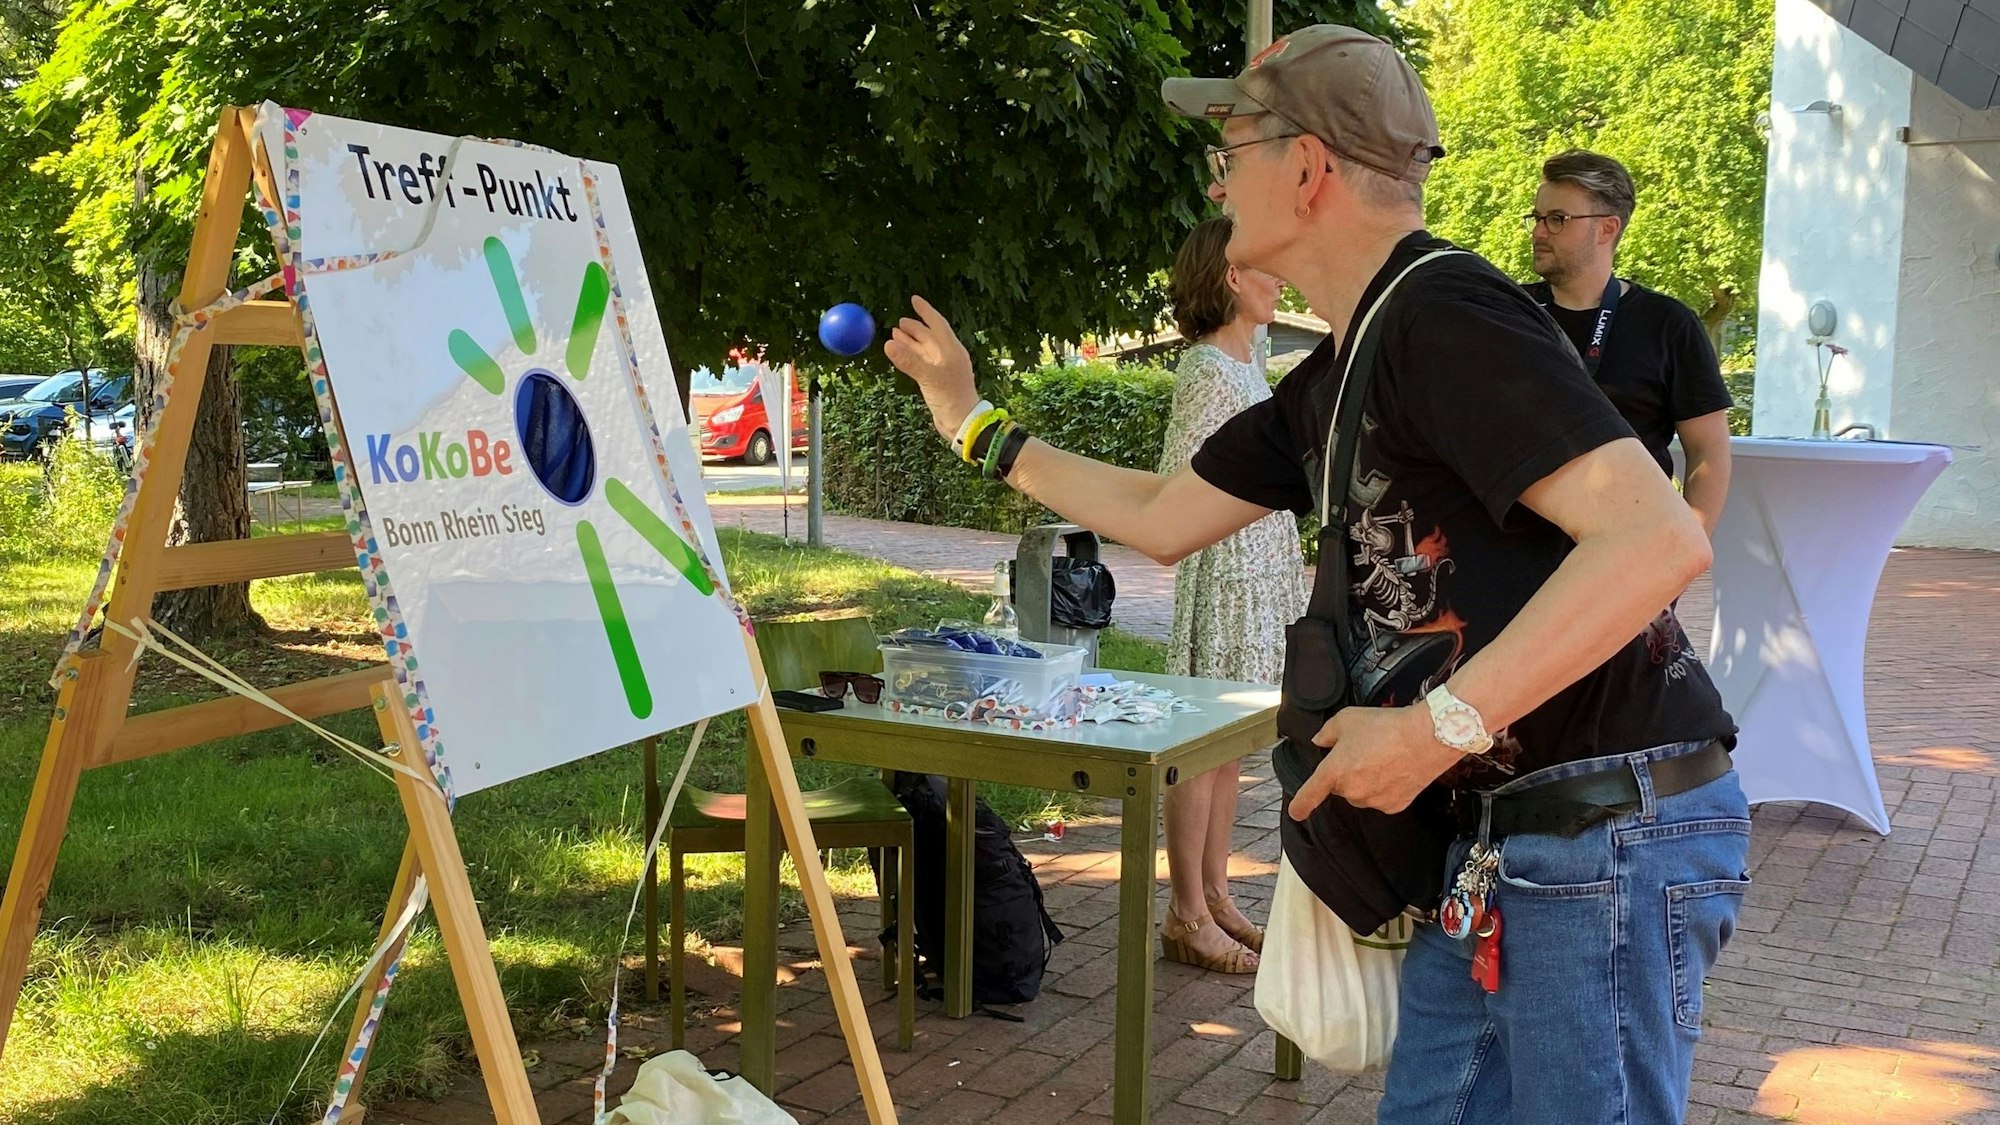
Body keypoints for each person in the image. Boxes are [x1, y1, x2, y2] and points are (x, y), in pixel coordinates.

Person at [883, 24, 1746, 1124]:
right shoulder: (1344, 362)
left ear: (1306, 166)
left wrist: (1435, 727)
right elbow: (1162, 514)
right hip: (1504, 847)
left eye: (1231, 143)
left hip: (1600, 838)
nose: (1212, 171)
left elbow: (1656, 541)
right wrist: (974, 426)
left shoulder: (1448, 318)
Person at [1155, 216, 1309, 975]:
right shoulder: (1207, 371)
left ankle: (1213, 892)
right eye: (1264, 264)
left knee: (1229, 748)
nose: (1280, 275)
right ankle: (1185, 909)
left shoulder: (1248, 363)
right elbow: (1183, 487)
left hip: (1259, 569)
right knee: (1198, 749)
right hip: (1226, 575)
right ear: (1231, 278)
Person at [1524, 150, 1734, 536]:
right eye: (1537, 218)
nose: (1539, 232)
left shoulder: (1668, 324)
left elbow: (1709, 452)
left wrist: (1688, 543)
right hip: (1511, 555)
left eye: (1557, 220)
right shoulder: (1508, 312)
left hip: (1624, 549)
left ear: (1607, 228)